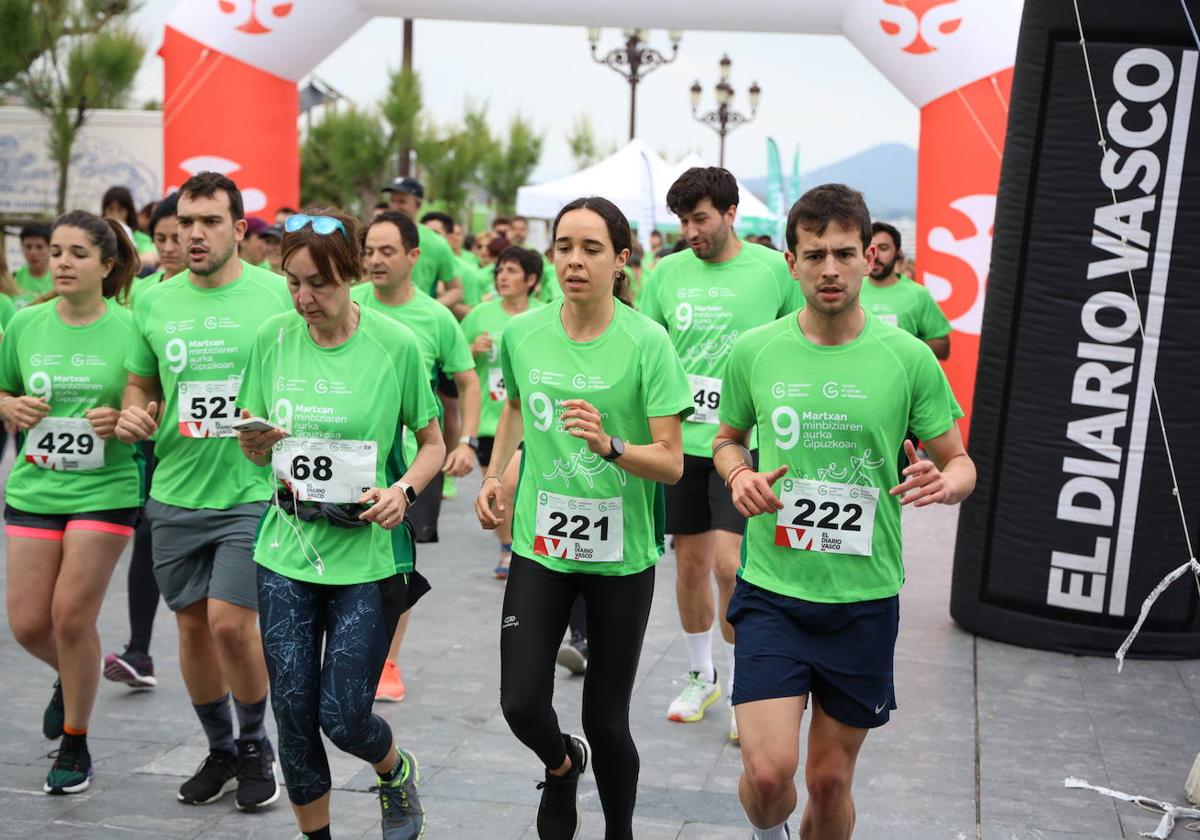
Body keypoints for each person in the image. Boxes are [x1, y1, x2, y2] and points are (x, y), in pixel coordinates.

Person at [712, 183, 975, 840]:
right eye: (814, 255)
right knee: (771, 776)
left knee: (830, 782)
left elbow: (961, 461)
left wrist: (946, 483)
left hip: (864, 600)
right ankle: (767, 831)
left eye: (845, 253)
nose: (830, 269)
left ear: (869, 257)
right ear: (793, 263)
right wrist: (739, 473)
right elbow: (725, 439)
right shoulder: (756, 350)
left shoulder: (907, 358)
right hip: (773, 592)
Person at [475, 196, 692, 840]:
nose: (574, 260)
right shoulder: (524, 333)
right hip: (542, 548)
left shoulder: (646, 342)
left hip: (620, 558)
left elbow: (673, 463)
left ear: (621, 260)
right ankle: (561, 764)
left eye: (592, 248)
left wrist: (611, 447)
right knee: (520, 702)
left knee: (607, 718)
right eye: (564, 246)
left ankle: (618, 831)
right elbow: (516, 408)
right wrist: (495, 475)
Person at [236, 207, 444, 840]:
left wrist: (403, 491)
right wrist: (256, 444)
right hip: (287, 549)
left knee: (343, 715)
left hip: (366, 556)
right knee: (293, 712)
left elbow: (433, 443)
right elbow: (252, 431)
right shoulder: (271, 338)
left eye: (318, 284)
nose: (304, 298)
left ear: (351, 274)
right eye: (293, 281)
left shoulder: (395, 345)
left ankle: (394, 769)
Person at [116, 171, 290, 811]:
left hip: (251, 490)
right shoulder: (154, 301)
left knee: (231, 625)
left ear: (240, 230)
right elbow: (141, 385)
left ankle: (254, 744)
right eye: (186, 222)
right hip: (174, 489)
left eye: (210, 221)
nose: (194, 234)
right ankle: (220, 749)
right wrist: (136, 411)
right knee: (191, 629)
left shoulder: (277, 295)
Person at [639, 167, 802, 740]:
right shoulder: (664, 274)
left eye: (701, 219)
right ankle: (699, 672)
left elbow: (796, 342)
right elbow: (648, 354)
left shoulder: (770, 270)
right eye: (683, 221)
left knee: (732, 566)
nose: (691, 232)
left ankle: (741, 686)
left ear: (731, 213)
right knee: (689, 566)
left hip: (745, 443)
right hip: (682, 445)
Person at [1, 210, 141, 794]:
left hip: (105, 490)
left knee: (70, 617)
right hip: (35, 486)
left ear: (107, 266)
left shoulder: (132, 328)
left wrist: (125, 418)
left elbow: (146, 402)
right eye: (56, 251)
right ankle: (72, 675)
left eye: (78, 253)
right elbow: (4, 388)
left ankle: (76, 744)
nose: (61, 261)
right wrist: (6, 408)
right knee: (29, 624)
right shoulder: (25, 324)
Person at [354, 211, 480, 703]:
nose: (375, 260)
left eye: (387, 251)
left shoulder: (434, 317)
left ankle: (387, 660)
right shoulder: (348, 304)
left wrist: (466, 440)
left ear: (413, 256)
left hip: (413, 463)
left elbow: (467, 381)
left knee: (396, 563)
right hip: (351, 459)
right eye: (368, 251)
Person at [103, 192, 186, 690]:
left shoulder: (251, 298)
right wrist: (130, 411)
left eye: (179, 236)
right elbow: (131, 375)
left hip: (235, 458)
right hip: (157, 443)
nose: (173, 246)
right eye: (161, 238)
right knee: (148, 537)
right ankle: (139, 649)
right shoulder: (143, 298)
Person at [460, 245, 542, 577]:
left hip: (526, 419)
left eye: (511, 270)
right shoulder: (480, 315)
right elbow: (454, 362)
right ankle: (509, 544)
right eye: (499, 271)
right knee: (495, 495)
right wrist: (472, 350)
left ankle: (516, 551)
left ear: (531, 278)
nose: (502, 277)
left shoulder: (543, 315)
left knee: (508, 483)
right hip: (487, 422)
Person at [862, 222, 950, 360]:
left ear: (898, 253)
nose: (876, 256)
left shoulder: (918, 295)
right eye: (870, 249)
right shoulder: (851, 290)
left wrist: (904, 344)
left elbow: (943, 348)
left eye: (883, 248)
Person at [381, 176, 463, 308]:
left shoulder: (437, 243)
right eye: (392, 200)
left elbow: (456, 290)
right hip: (378, 316)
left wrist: (430, 308)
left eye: (402, 201)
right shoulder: (375, 236)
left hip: (416, 322)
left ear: (418, 204)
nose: (395, 206)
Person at [103, 186, 158, 270]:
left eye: (120, 210)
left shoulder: (138, 237)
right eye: (110, 209)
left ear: (128, 212)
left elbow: (152, 258)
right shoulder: (99, 234)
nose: (114, 214)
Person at [14, 223, 52, 307]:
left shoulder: (59, 280)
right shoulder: (13, 279)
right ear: (21, 247)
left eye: (39, 247)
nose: (33, 253)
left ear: (49, 248)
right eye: (28, 247)